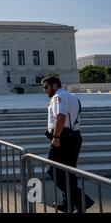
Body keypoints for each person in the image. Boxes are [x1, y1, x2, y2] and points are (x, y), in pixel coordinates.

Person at [42, 76, 94, 213]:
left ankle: (82, 199)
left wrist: (56, 137)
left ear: (54, 86)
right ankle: (69, 204)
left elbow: (61, 116)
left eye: (46, 87)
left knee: (53, 170)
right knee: (68, 172)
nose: (45, 91)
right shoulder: (72, 96)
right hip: (74, 137)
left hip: (63, 138)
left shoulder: (57, 97)